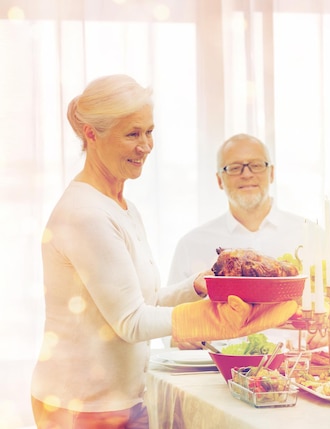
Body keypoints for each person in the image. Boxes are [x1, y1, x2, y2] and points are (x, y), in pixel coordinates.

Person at [30, 75, 297, 428]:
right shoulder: (85, 213)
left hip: (122, 399)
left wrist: (199, 286)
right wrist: (213, 319)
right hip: (82, 406)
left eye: (149, 132)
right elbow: (130, 322)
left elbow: (147, 300)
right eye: (132, 134)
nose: (146, 145)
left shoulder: (121, 206)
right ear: (92, 134)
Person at [167, 133, 305, 285]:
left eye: (256, 165)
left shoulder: (309, 235)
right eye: (234, 168)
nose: (246, 174)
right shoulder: (190, 245)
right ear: (219, 180)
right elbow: (173, 308)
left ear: (271, 173)